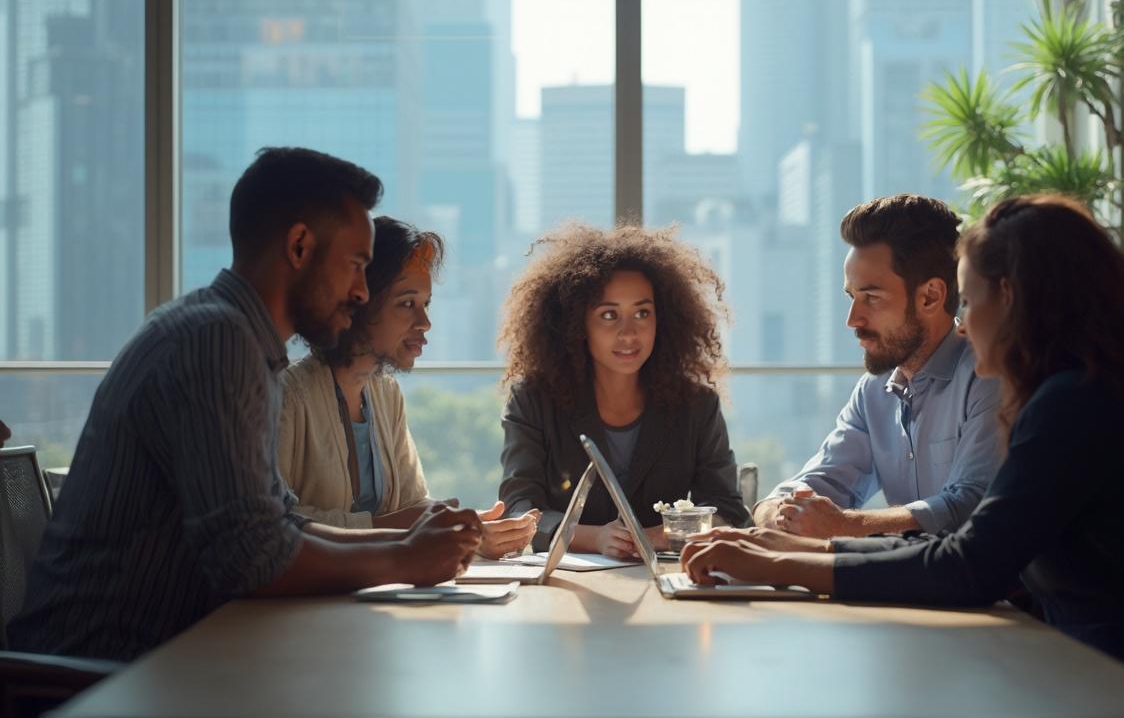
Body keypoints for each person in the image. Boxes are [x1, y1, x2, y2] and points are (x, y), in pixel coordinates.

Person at [681, 194, 1124, 662]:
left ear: (1011, 301)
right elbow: (964, 550)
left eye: (969, 300)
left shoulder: (1075, 405)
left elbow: (969, 566)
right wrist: (800, 546)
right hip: (1092, 670)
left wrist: (782, 562)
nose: (961, 322)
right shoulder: (1086, 390)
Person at [8, 148, 481, 662]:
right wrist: (403, 560)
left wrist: (406, 548)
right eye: (356, 266)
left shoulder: (235, 339)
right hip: (111, 674)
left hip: (168, 661)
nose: (362, 292)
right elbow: (251, 558)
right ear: (299, 246)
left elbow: (279, 527)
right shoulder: (217, 341)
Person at [278, 216, 538, 557]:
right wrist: (410, 525)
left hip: (375, 595)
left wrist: (466, 530)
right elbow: (278, 524)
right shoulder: (287, 396)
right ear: (359, 301)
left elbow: (413, 506)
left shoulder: (385, 393)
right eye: (407, 303)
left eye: (426, 304)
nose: (425, 323)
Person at [498, 224, 751, 558]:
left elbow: (728, 510)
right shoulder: (533, 401)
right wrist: (594, 538)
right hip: (572, 593)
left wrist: (661, 535)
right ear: (576, 324)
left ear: (663, 319)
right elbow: (519, 509)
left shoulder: (697, 405)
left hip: (667, 583)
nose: (629, 332)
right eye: (608, 315)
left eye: (642, 313)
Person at [754, 194, 1001, 539]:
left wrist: (847, 525)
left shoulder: (988, 375)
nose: (853, 320)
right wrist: (776, 510)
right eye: (851, 297)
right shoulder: (874, 391)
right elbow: (822, 480)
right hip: (906, 587)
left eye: (871, 297)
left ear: (930, 296)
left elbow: (971, 504)